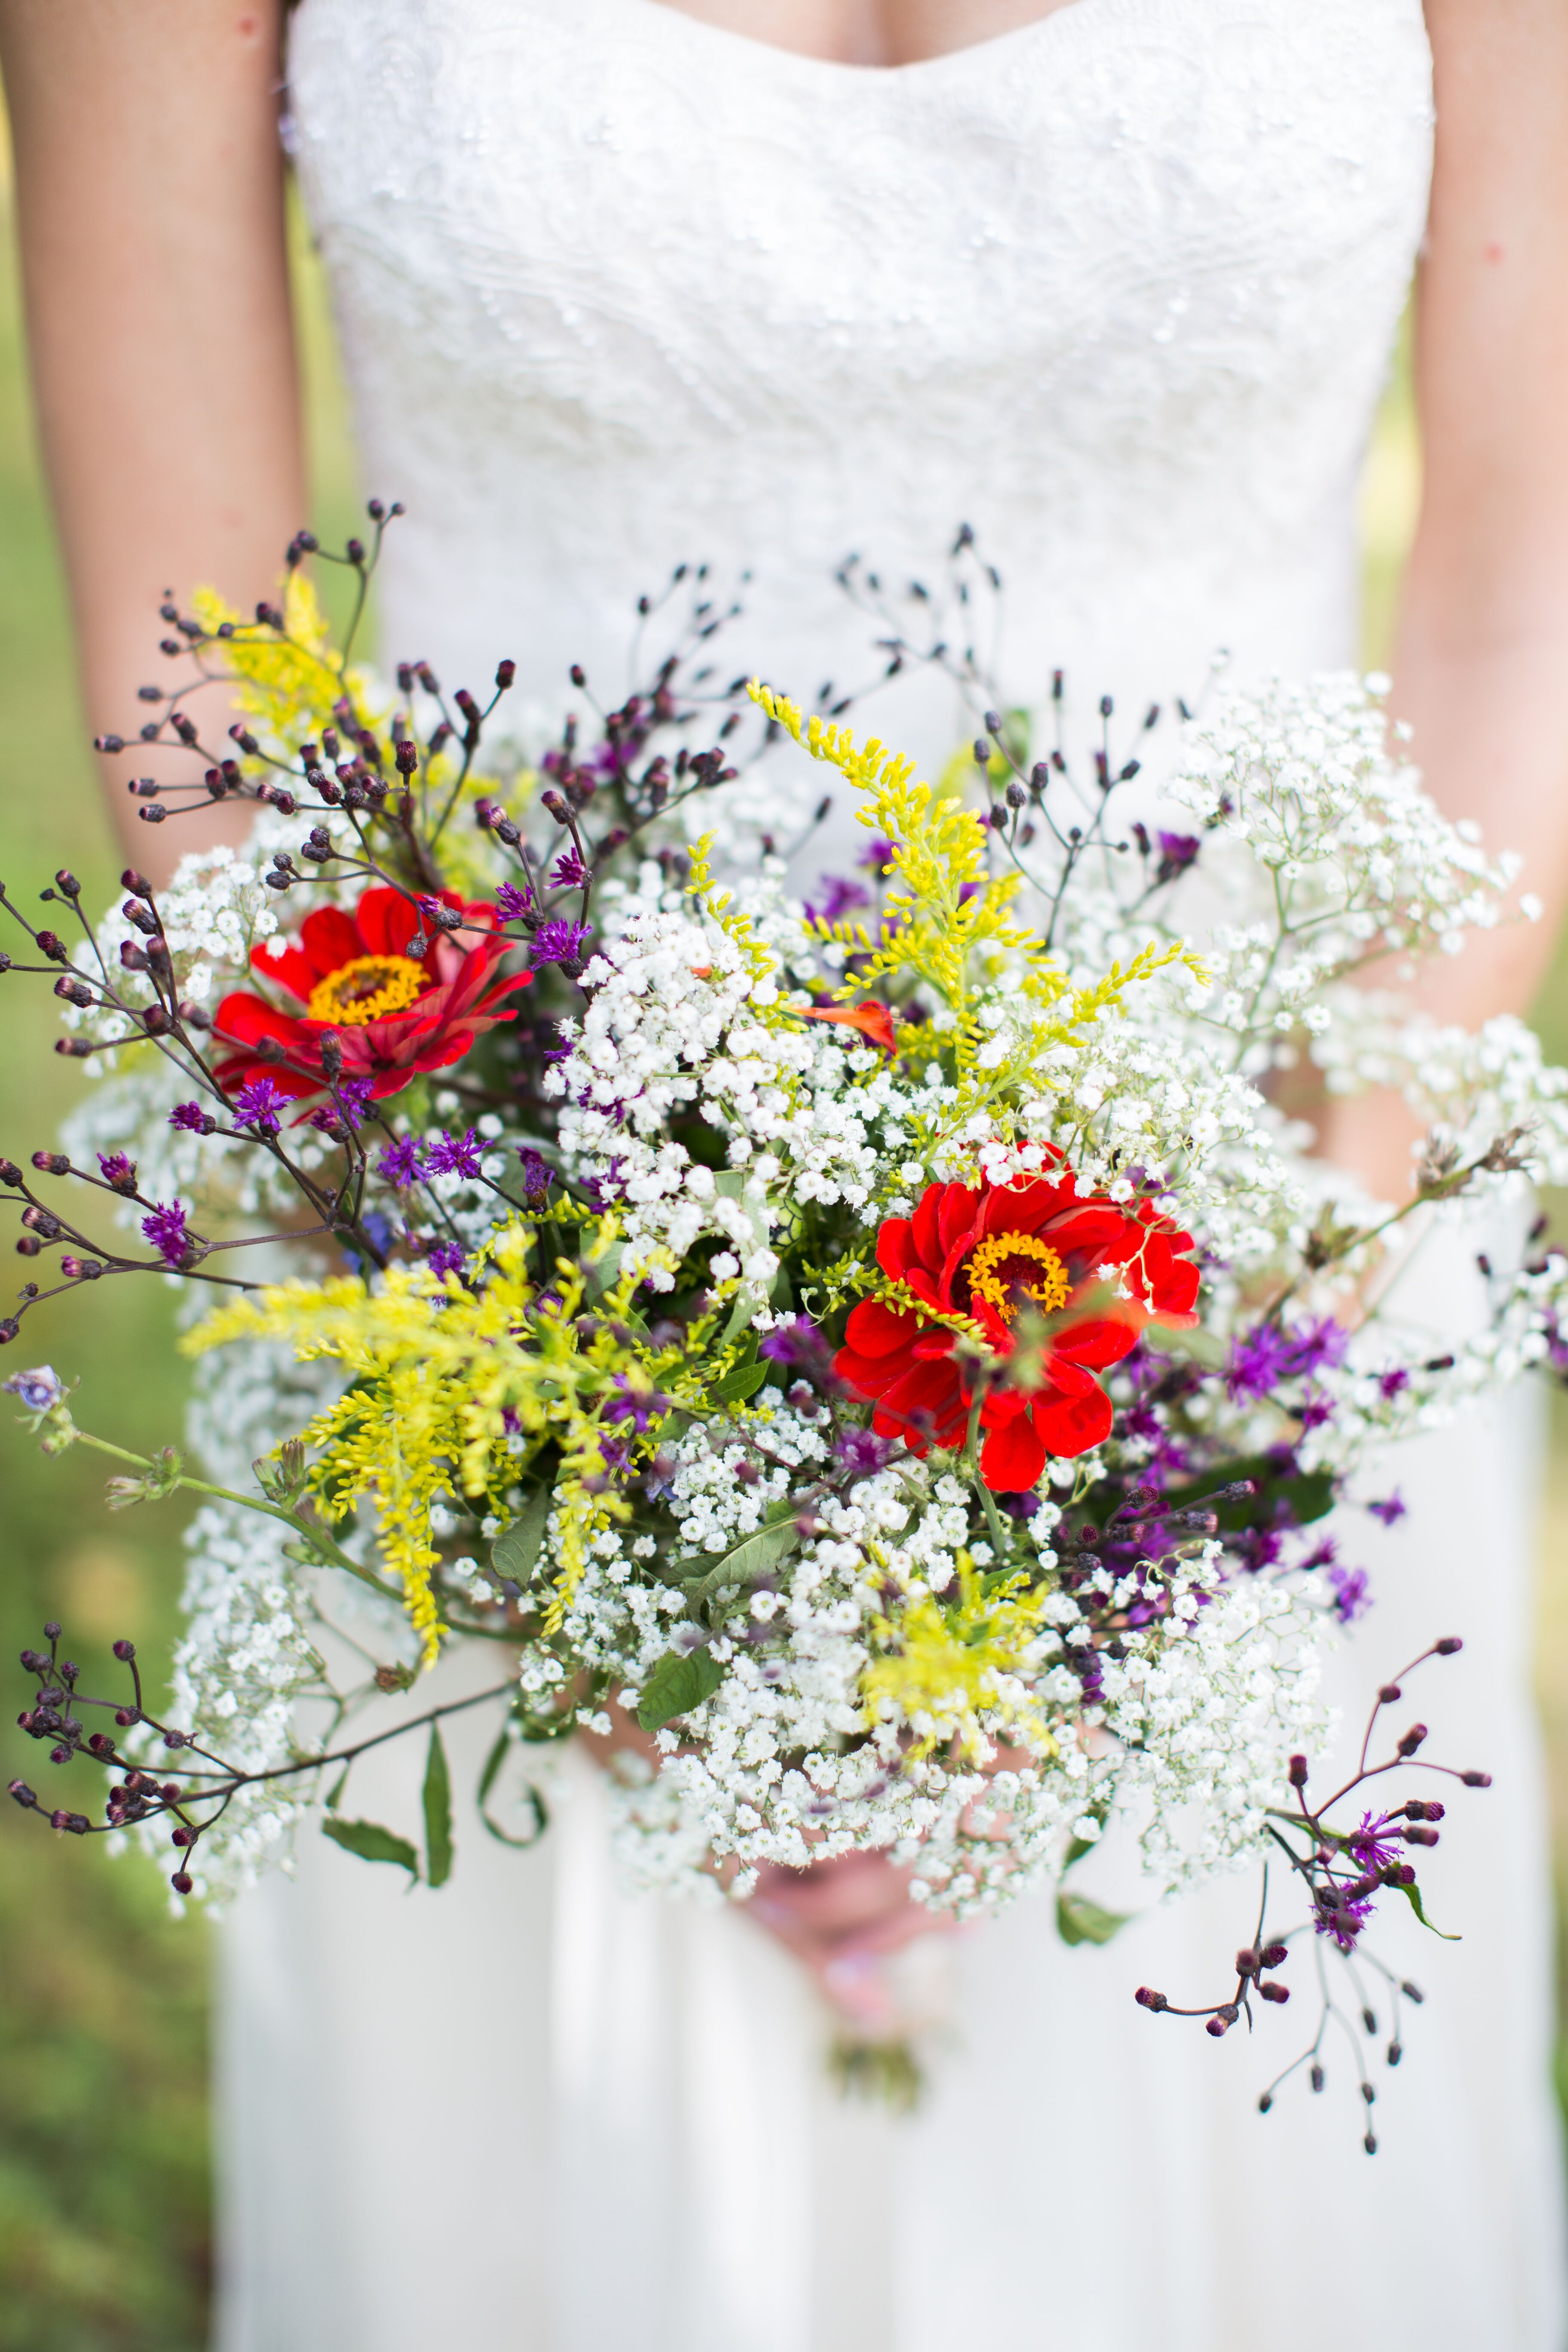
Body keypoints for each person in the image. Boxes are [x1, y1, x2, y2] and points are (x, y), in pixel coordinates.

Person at [2, 3, 1566, 2346]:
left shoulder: (1266, 1337)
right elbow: (199, 680)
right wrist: (571, 1499)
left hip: (1267, 1260)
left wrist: (1226, 1398)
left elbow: (1525, 575)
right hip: (470, 1288)